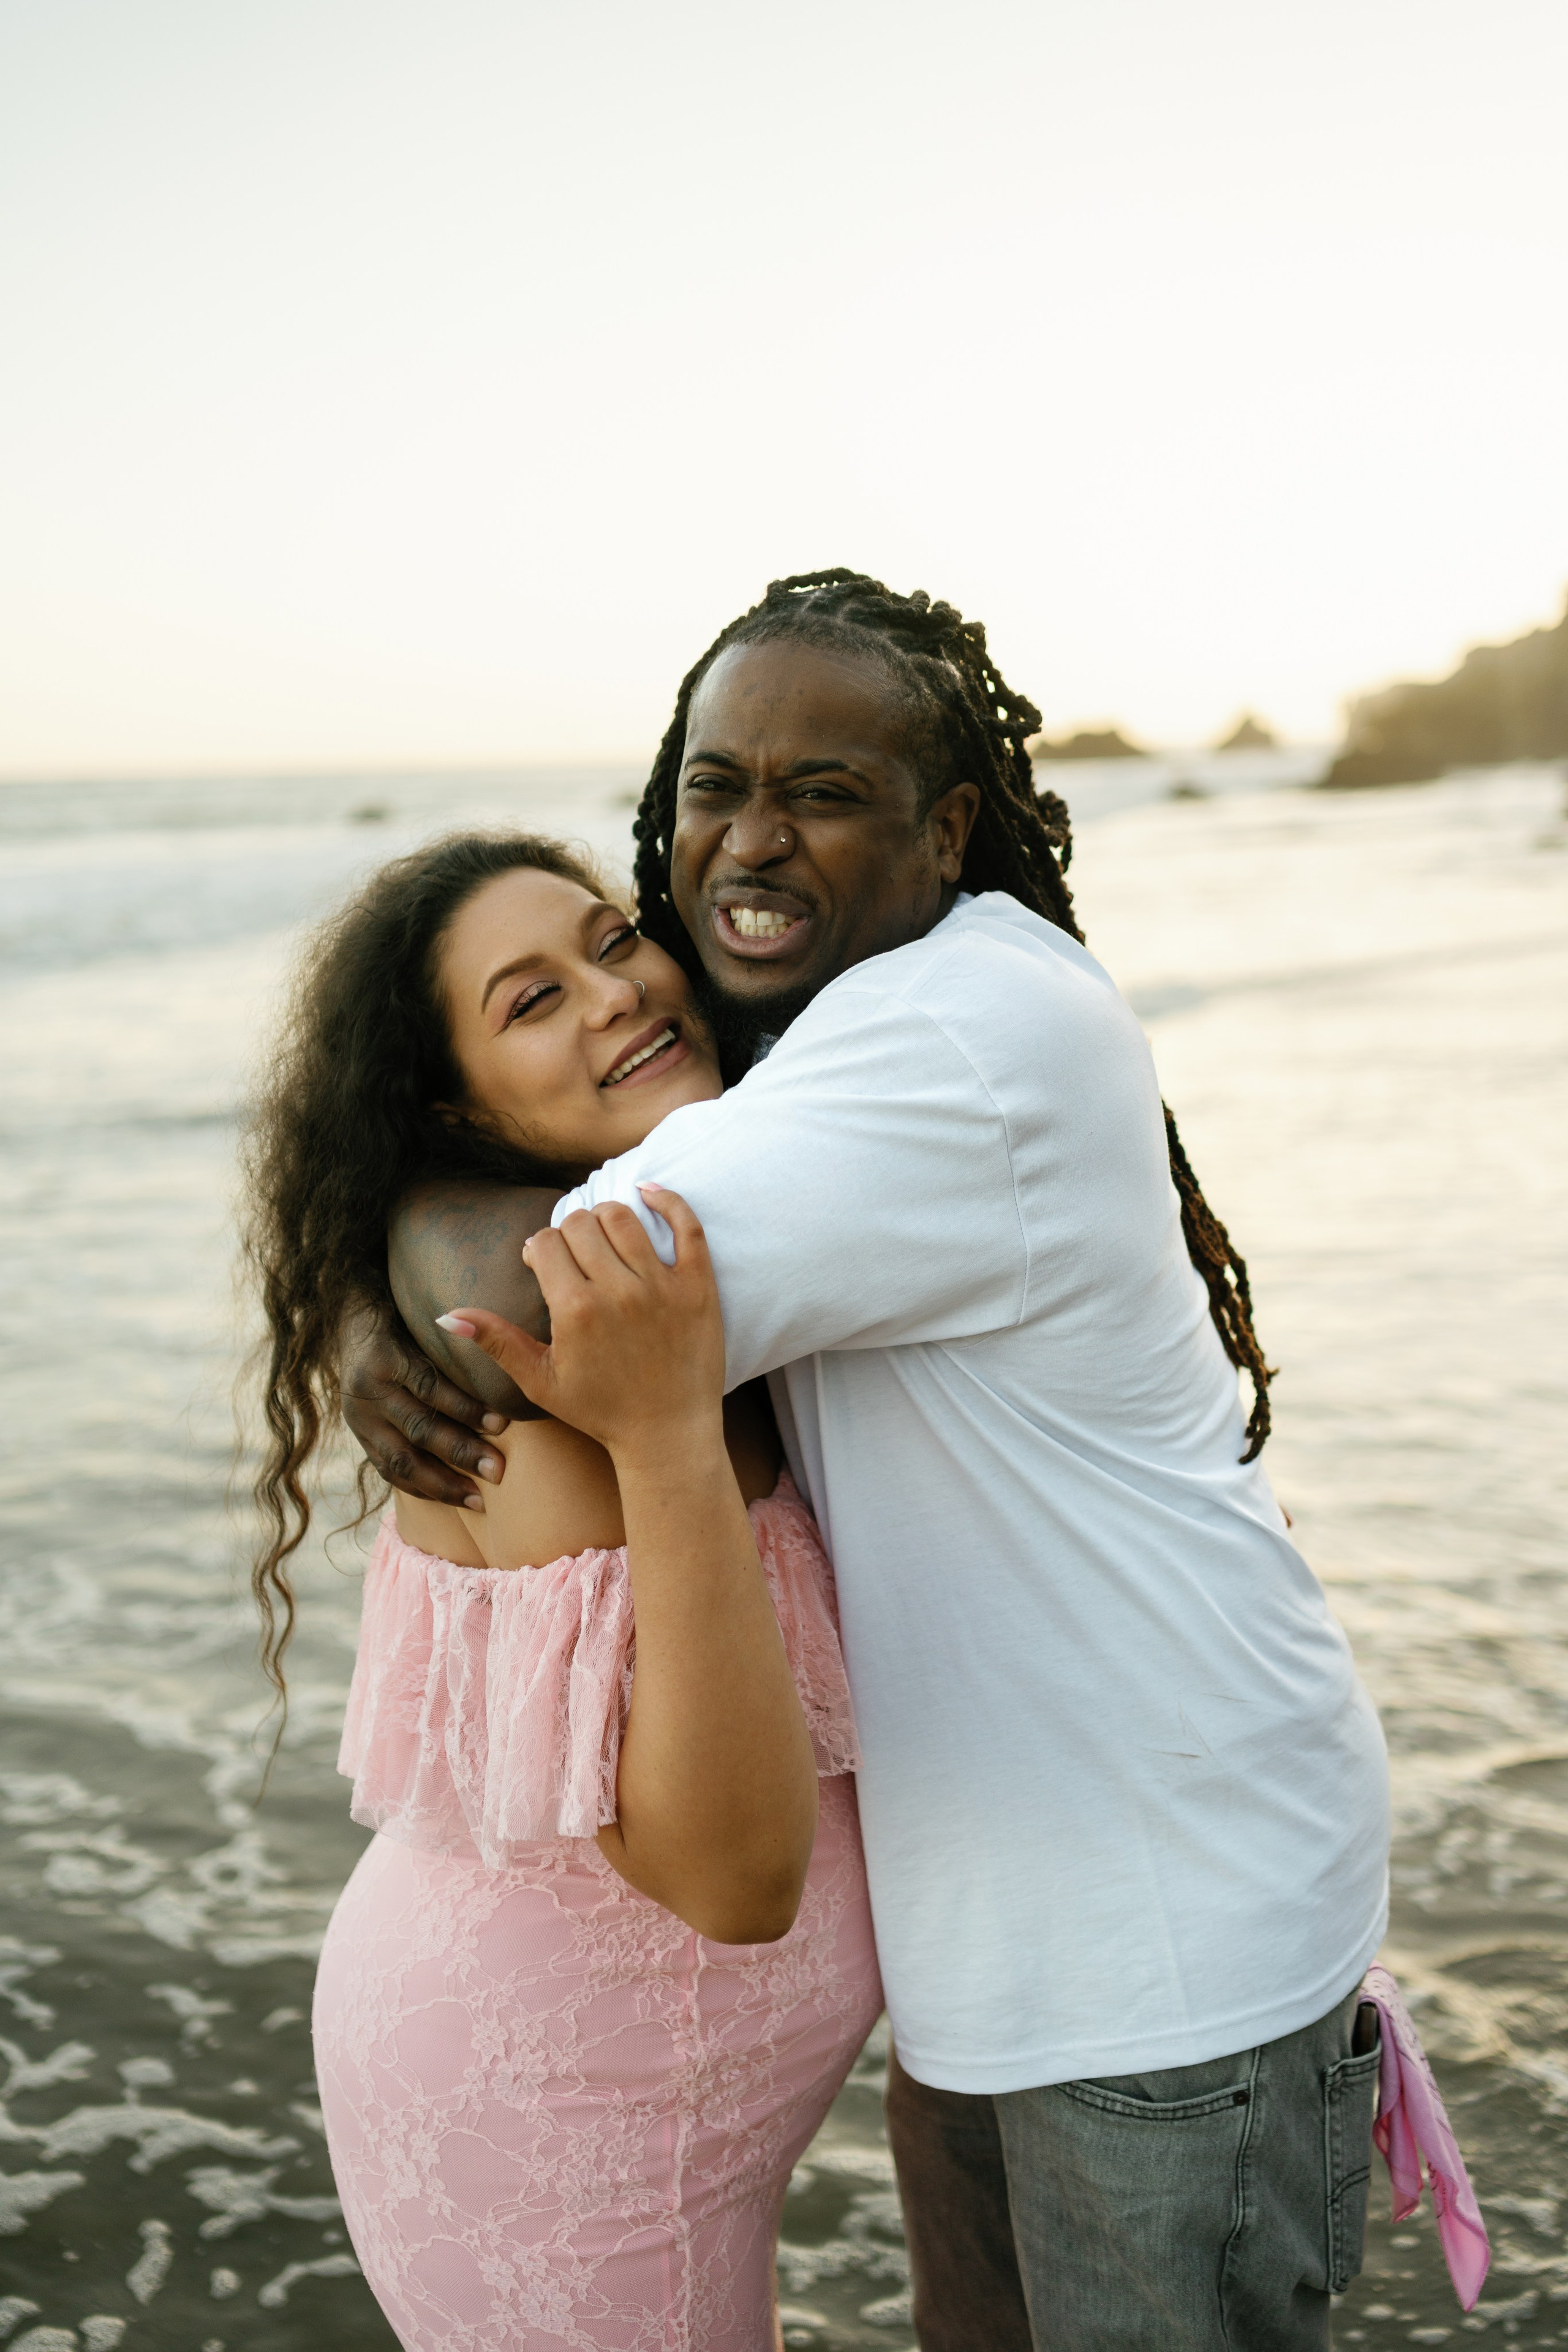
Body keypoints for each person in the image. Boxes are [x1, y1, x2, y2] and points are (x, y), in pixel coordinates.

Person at [343, 570, 1394, 2350]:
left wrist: (375, 1272)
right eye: (711, 787)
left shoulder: (948, 1044)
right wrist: (387, 1280)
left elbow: (536, 1300)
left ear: (946, 826)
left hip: (1159, 1960)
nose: (747, 843)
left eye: (823, 793)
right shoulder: (820, 1051)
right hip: (1014, 1941)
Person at [241, 833, 882, 2352]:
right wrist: (657, 1439)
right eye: (532, 1001)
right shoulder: (530, 1401)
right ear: (459, 1111)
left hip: (647, 2106)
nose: (613, 994)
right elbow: (730, 1885)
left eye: (611, 942)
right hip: (562, 2121)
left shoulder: (680, 1275)